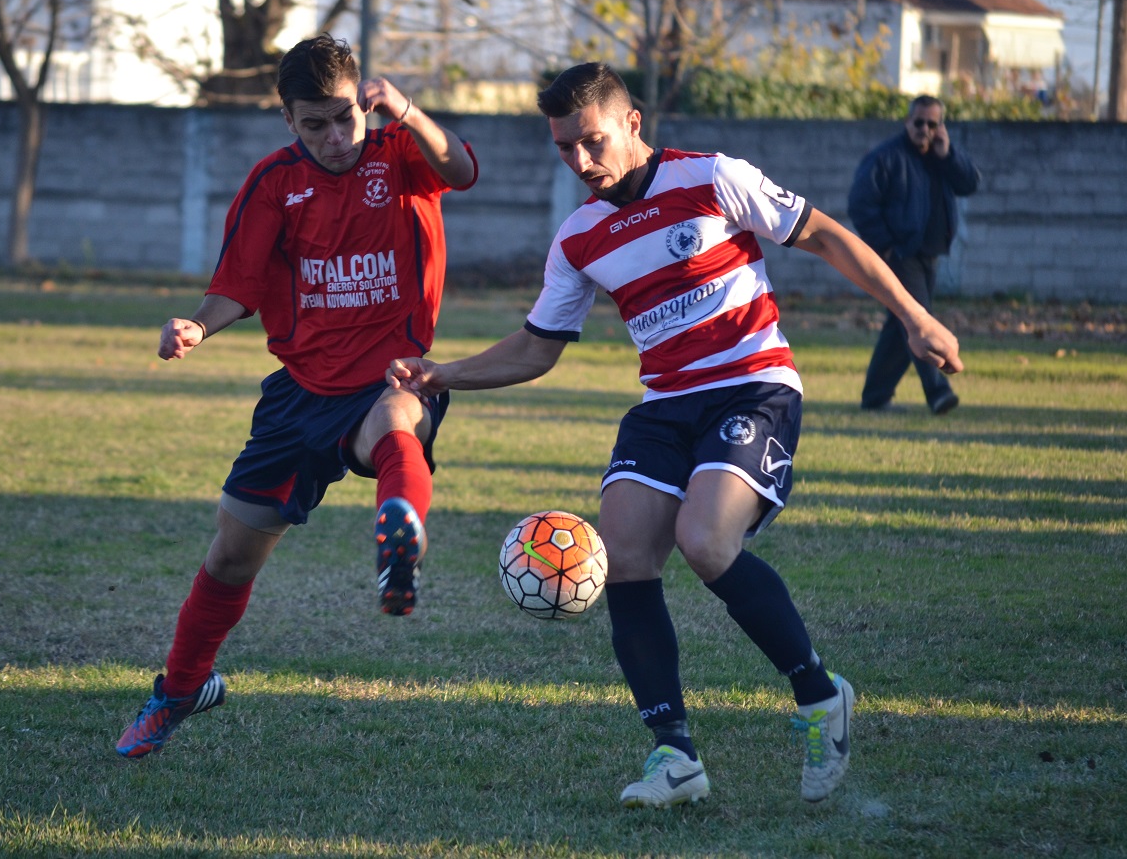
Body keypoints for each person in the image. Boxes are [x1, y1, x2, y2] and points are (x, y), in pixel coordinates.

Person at [388, 63, 963, 807]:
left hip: (753, 386)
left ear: (631, 124)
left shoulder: (713, 178)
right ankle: (674, 756)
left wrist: (915, 317)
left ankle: (820, 696)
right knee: (624, 554)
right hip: (663, 405)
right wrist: (442, 374)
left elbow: (823, 236)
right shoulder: (577, 239)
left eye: (590, 142)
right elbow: (537, 346)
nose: (579, 162)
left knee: (704, 540)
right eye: (563, 148)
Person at [115, 34, 477, 759]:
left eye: (345, 118)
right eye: (315, 124)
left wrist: (403, 109)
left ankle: (400, 530)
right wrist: (196, 325)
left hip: (389, 373)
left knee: (397, 421)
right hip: (300, 393)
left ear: (364, 103)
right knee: (229, 559)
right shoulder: (274, 183)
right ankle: (181, 688)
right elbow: (236, 288)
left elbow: (461, 169)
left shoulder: (397, 152)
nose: (336, 138)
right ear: (289, 121)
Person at [849, 94, 980, 414]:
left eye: (932, 124)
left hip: (930, 255)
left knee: (901, 324)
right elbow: (860, 204)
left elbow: (970, 183)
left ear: (941, 127)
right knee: (919, 320)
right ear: (908, 122)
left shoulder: (941, 156)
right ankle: (938, 392)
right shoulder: (886, 157)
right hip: (900, 256)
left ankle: (875, 396)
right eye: (919, 122)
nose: (924, 129)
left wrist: (947, 155)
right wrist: (887, 246)